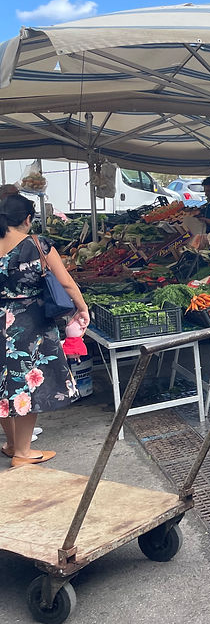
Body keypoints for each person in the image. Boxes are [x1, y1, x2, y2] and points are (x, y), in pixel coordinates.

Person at [0, 194, 89, 467]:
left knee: (4, 384)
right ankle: (23, 453)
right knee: (29, 386)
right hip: (31, 325)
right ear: (28, 219)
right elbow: (67, 284)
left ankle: (13, 443)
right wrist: (82, 308)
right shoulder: (38, 245)